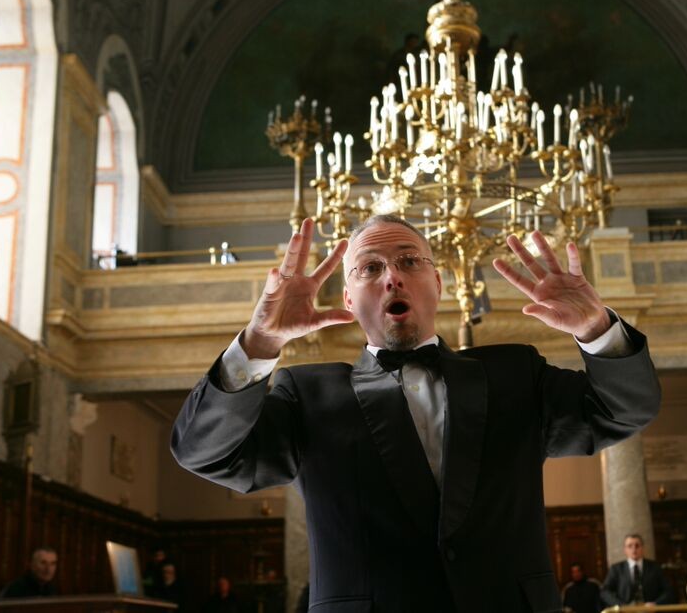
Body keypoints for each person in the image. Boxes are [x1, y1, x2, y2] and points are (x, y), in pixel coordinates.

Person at [171, 215, 661, 612]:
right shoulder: (307, 395)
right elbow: (204, 453)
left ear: (438, 283)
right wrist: (258, 343)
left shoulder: (515, 374)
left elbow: (625, 408)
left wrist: (597, 327)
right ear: (348, 299)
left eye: (409, 260)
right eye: (369, 267)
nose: (392, 276)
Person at [600, 534, 674, 607]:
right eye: (630, 546)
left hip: (650, 610)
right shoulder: (616, 569)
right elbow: (605, 591)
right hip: (624, 610)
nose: (634, 549)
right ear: (625, 549)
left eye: (637, 545)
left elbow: (668, 591)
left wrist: (656, 604)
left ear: (643, 548)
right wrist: (621, 606)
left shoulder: (655, 568)